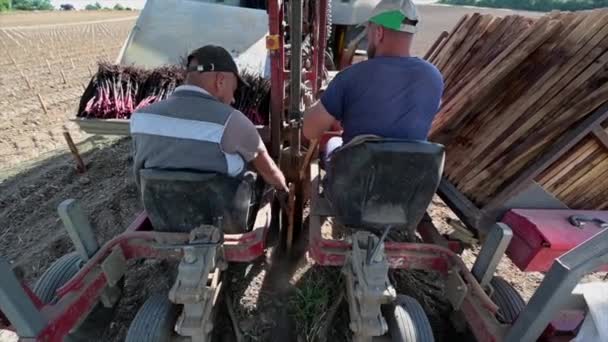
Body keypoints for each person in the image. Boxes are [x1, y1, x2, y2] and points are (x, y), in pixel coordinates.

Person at [130, 45, 288, 192]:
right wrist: (284, 190)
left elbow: (139, 174)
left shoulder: (141, 118)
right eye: (233, 90)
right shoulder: (232, 121)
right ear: (220, 81)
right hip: (218, 217)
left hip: (162, 212)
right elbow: (269, 171)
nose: (233, 99)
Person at [302, 0, 444, 156]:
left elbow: (310, 131)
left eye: (368, 31)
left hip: (357, 176)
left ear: (379, 32)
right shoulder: (434, 77)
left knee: (333, 143)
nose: (368, 39)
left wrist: (319, 103)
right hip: (410, 175)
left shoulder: (350, 77)